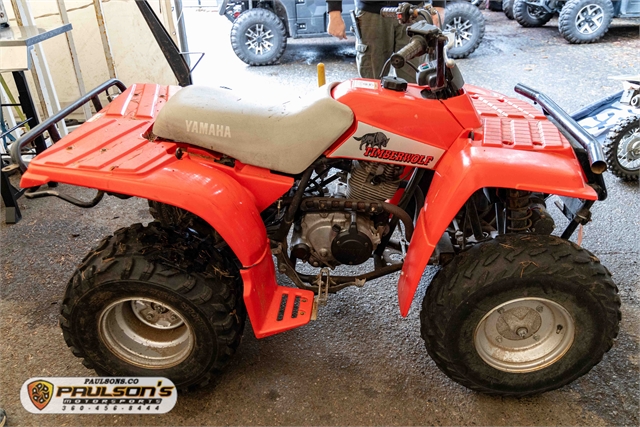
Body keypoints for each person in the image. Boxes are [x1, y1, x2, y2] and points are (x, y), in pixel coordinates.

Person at [327, 1, 446, 83]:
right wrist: (334, 11)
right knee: (371, 82)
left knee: (414, 81)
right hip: (371, 13)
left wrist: (439, 6)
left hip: (413, 12)